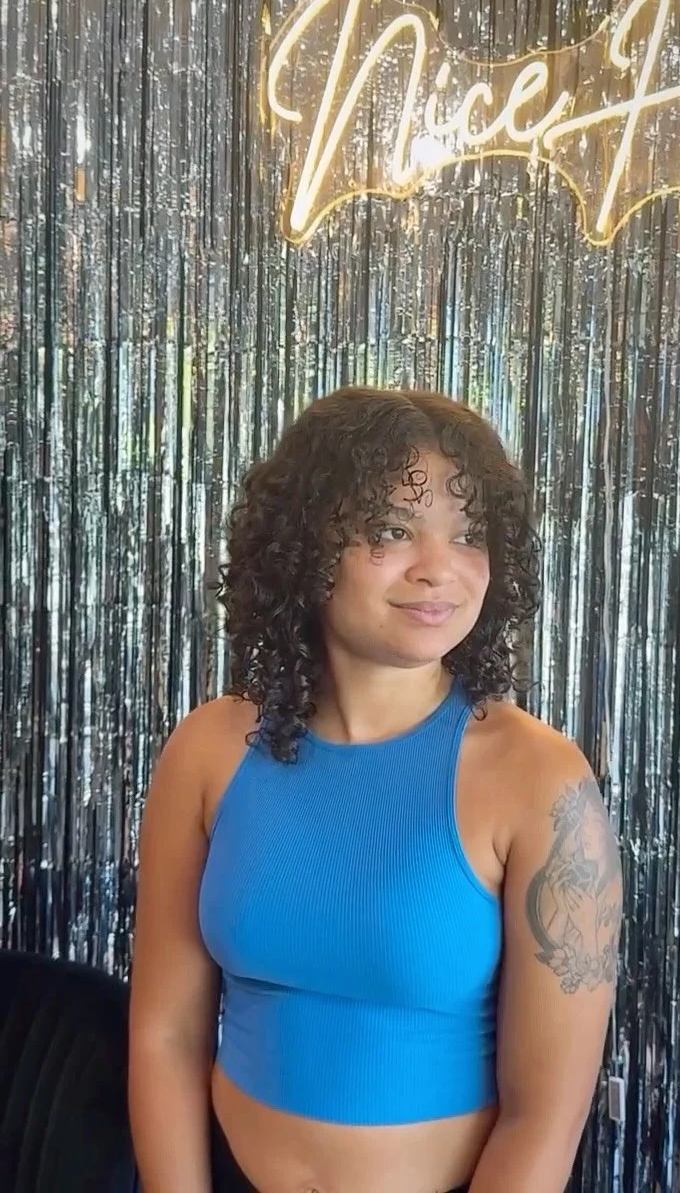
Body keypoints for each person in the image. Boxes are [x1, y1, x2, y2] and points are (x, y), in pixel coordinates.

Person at [128, 385, 623, 1193]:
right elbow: (165, 1035)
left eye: (469, 536)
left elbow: (546, 1116)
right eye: (392, 530)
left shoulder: (541, 779)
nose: (438, 569)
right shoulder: (208, 750)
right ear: (304, 546)